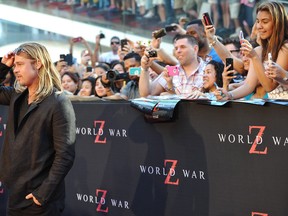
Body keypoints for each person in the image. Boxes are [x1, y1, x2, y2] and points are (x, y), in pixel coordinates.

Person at [0, 42, 76, 215]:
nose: (15, 70)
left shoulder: (58, 102)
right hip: (15, 194)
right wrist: (3, 66)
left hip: (40, 202)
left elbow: (65, 155)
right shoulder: (17, 96)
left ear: (38, 63)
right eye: (15, 65)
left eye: (20, 64)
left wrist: (42, 194)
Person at [139, 34, 206, 98]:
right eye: (176, 48)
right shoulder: (172, 70)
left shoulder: (207, 69)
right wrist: (144, 69)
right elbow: (147, 95)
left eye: (183, 47)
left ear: (195, 49)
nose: (178, 51)